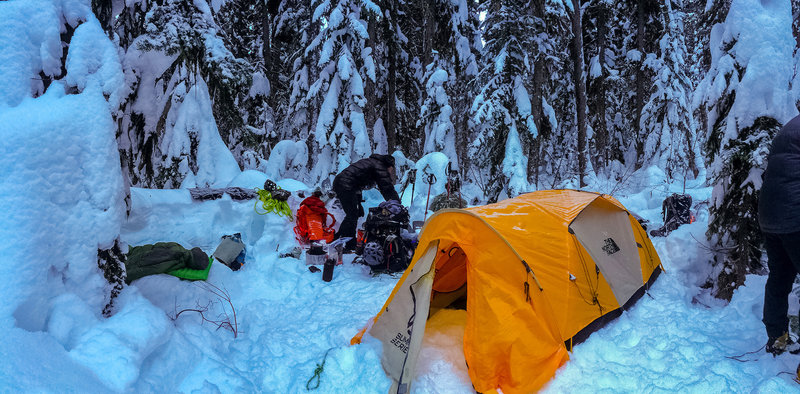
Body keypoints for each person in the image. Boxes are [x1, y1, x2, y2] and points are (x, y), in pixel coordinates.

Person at [759, 114, 800, 356]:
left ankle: (777, 338)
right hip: (794, 217)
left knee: (779, 278)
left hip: (769, 216)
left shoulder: (789, 128)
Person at [333, 153, 400, 251]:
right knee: (352, 215)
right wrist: (396, 203)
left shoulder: (373, 163)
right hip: (345, 185)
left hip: (343, 183)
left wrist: (358, 203)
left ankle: (339, 237)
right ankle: (349, 244)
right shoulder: (379, 166)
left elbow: (357, 180)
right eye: (391, 169)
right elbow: (386, 188)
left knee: (352, 214)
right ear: (389, 166)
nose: (391, 171)